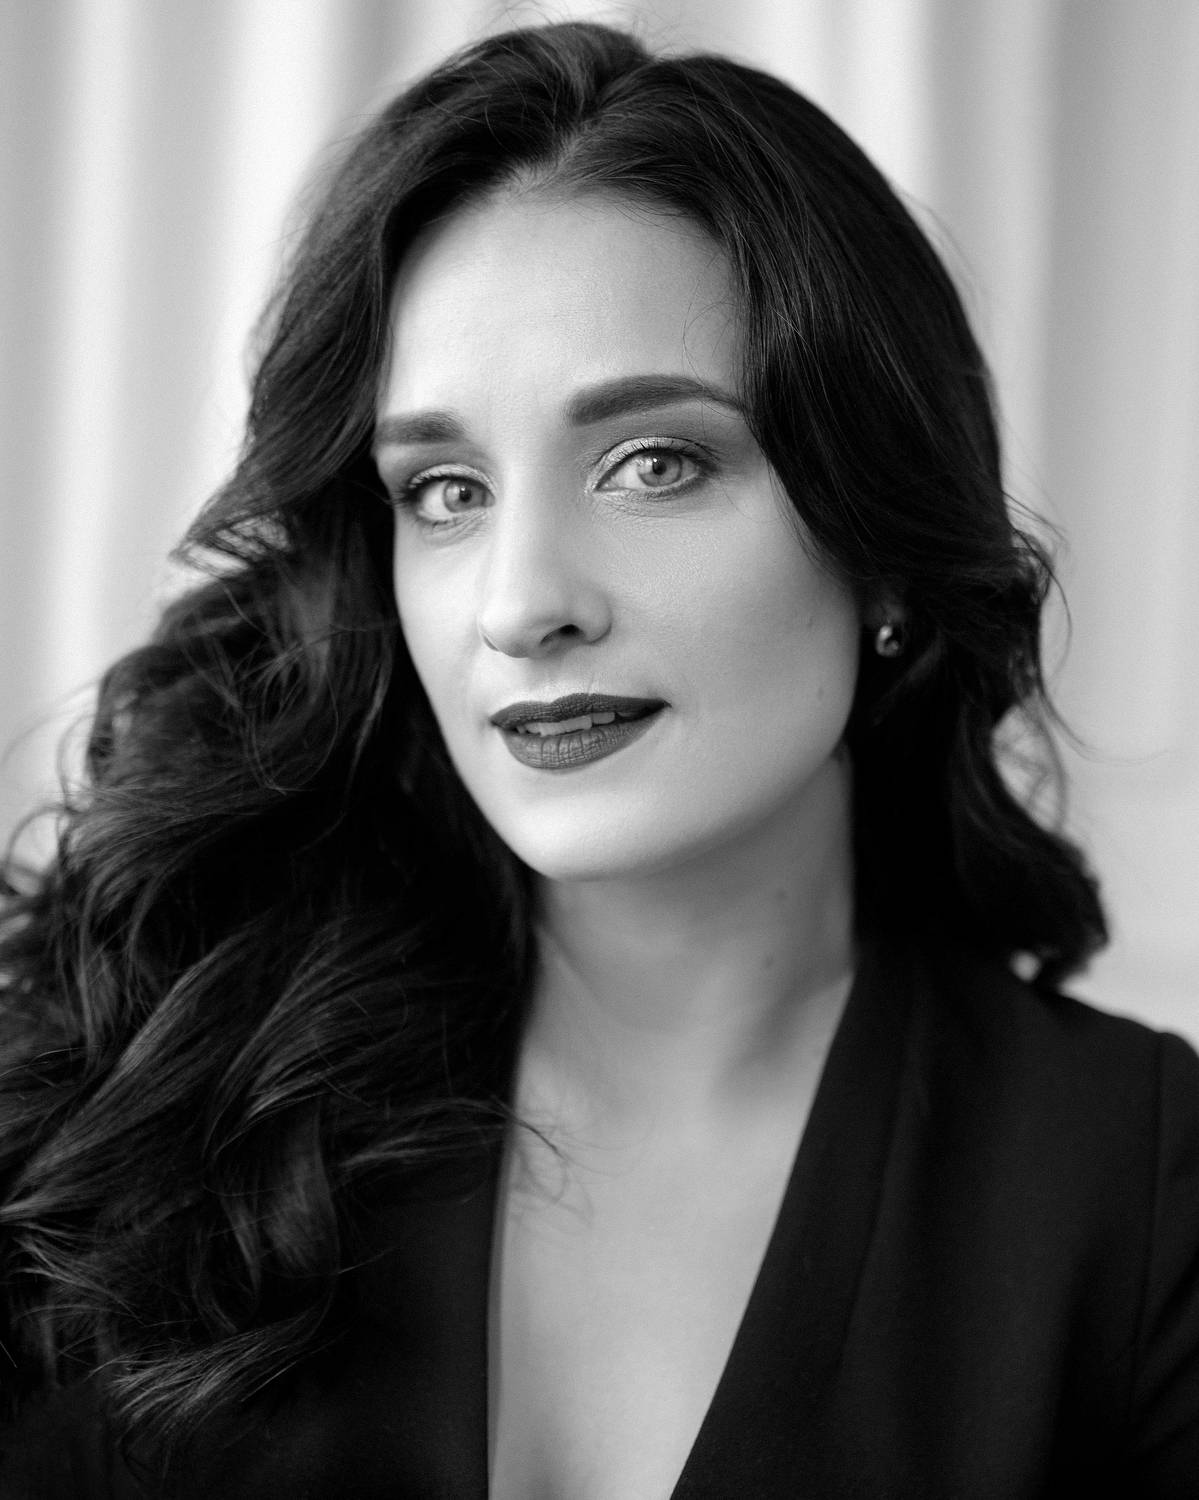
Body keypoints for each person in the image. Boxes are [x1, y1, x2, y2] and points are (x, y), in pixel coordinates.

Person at [1, 19, 1197, 1498]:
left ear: (884, 547)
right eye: (445, 490)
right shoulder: (158, 1093)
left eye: (654, 464)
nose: (520, 605)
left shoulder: (1133, 1189)